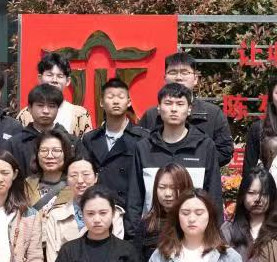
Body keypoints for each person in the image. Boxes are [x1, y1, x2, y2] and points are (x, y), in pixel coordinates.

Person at [126, 82, 222, 238]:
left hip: (194, 235)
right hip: (152, 235)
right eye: (168, 103)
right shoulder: (144, 147)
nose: (174, 109)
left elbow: (214, 195)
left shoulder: (205, 146)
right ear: (158, 108)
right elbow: (134, 198)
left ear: (189, 109)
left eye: (180, 104)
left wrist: (215, 235)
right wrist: (133, 237)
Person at [139, 52, 234, 167]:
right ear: (165, 78)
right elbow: (140, 149)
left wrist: (194, 163)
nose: (178, 77)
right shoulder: (151, 115)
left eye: (185, 72)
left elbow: (225, 151)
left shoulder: (212, 113)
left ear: (195, 79)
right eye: (173, 72)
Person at [78, 77, 147, 216]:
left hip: (132, 211)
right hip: (99, 210)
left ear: (129, 102)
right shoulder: (90, 139)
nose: (116, 101)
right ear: (101, 102)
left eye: (121, 97)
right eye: (110, 97)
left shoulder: (143, 138)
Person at [16, 51, 93, 137]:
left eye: (60, 76)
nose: (54, 80)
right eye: (49, 75)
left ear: (68, 81)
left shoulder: (81, 115)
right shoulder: (25, 114)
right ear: (40, 78)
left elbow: (86, 144)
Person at [9, 82, 65, 175]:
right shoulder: (14, 143)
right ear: (29, 108)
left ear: (58, 109)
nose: (46, 111)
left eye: (51, 106)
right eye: (40, 105)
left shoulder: (70, 141)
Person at [26, 126, 75, 213]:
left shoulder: (75, 186)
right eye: (44, 150)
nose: (49, 156)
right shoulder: (27, 185)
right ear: (37, 154)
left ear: (66, 153)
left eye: (56, 150)